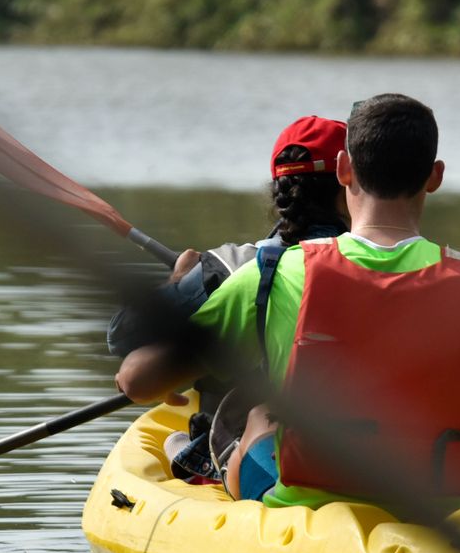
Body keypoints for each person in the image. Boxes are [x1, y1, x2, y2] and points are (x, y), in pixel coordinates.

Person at [116, 93, 460, 509]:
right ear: (436, 176)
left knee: (260, 419)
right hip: (451, 507)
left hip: (312, 504)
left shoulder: (271, 277)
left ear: (345, 170)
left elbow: (137, 381)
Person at [106, 115, 350, 483]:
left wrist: (177, 280)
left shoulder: (228, 268)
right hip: (354, 456)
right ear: (349, 182)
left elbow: (121, 336)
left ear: (278, 190)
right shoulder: (387, 267)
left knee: (175, 439)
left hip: (240, 456)